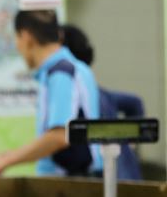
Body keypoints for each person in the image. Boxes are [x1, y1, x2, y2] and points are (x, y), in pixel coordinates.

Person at [0, 10, 103, 177]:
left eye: (16, 38)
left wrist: (4, 161)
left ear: (26, 37)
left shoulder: (61, 74)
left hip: (69, 184)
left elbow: (59, 136)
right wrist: (4, 155)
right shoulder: (75, 68)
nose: (17, 46)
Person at [62, 24, 144, 181]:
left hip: (112, 178)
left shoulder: (83, 98)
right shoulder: (100, 93)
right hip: (125, 175)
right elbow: (135, 103)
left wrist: (130, 138)